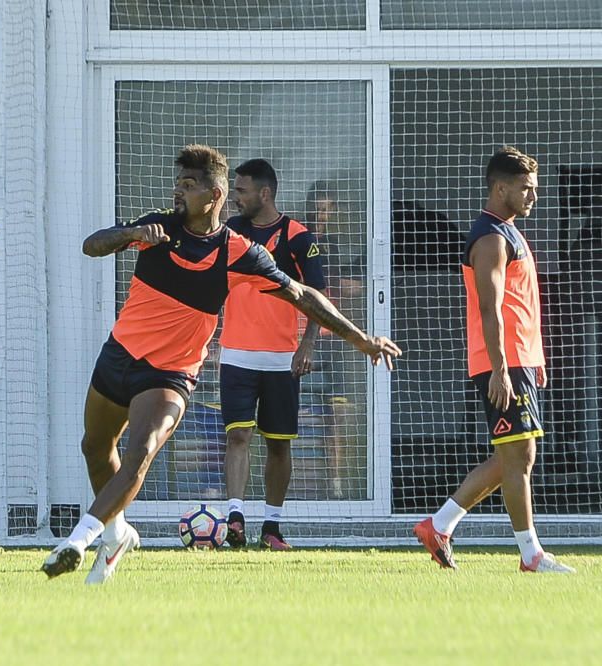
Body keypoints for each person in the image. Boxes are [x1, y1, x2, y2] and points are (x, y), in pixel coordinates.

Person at [41, 144, 401, 584]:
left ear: (214, 195)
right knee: (95, 448)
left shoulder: (239, 251)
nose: (178, 192)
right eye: (177, 183)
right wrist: (129, 235)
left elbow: (306, 296)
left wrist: (362, 340)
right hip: (119, 355)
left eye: (189, 185)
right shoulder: (159, 227)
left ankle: (79, 540)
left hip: (169, 375)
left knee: (142, 451)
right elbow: (91, 246)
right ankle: (117, 536)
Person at [413, 146, 575, 573]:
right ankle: (530, 554)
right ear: (500, 187)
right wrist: (501, 368)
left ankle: (440, 525)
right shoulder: (489, 238)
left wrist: (534, 358)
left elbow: (521, 304)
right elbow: (491, 307)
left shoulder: (509, 231)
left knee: (517, 456)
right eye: (525, 188)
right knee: (518, 457)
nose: (532, 197)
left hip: (522, 359)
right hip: (502, 363)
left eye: (534, 189)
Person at [219, 159, 326, 550]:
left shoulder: (297, 236)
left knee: (279, 443)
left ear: (265, 193)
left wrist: (308, 343)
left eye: (242, 190)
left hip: (284, 358)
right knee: (238, 436)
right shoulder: (229, 233)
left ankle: (272, 527)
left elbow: (317, 297)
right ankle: (234, 519)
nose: (236, 196)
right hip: (236, 355)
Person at [305, 180, 366, 499]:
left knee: (338, 414)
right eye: (318, 208)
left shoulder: (341, 245)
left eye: (328, 209)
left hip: (334, 339)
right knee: (295, 413)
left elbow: (351, 286)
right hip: (301, 338)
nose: (322, 215)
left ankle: (337, 483)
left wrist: (340, 285)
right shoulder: (299, 240)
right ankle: (295, 486)